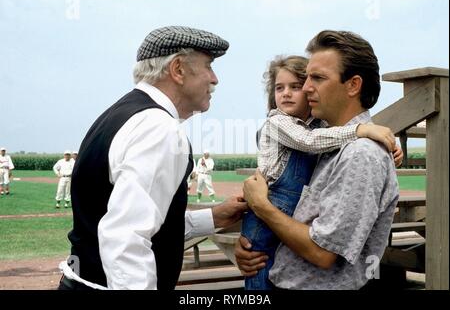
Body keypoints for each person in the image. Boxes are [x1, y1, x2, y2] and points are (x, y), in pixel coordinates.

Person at [58, 26, 247, 290]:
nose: (214, 79)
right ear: (178, 69)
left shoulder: (122, 114)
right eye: (208, 66)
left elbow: (142, 223)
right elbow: (127, 238)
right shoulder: (159, 128)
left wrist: (212, 218)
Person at [236, 30, 401, 290]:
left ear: (353, 85)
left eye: (318, 78)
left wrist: (262, 208)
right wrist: (254, 244)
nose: (306, 87)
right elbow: (302, 218)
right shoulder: (329, 140)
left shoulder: (360, 155)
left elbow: (322, 252)